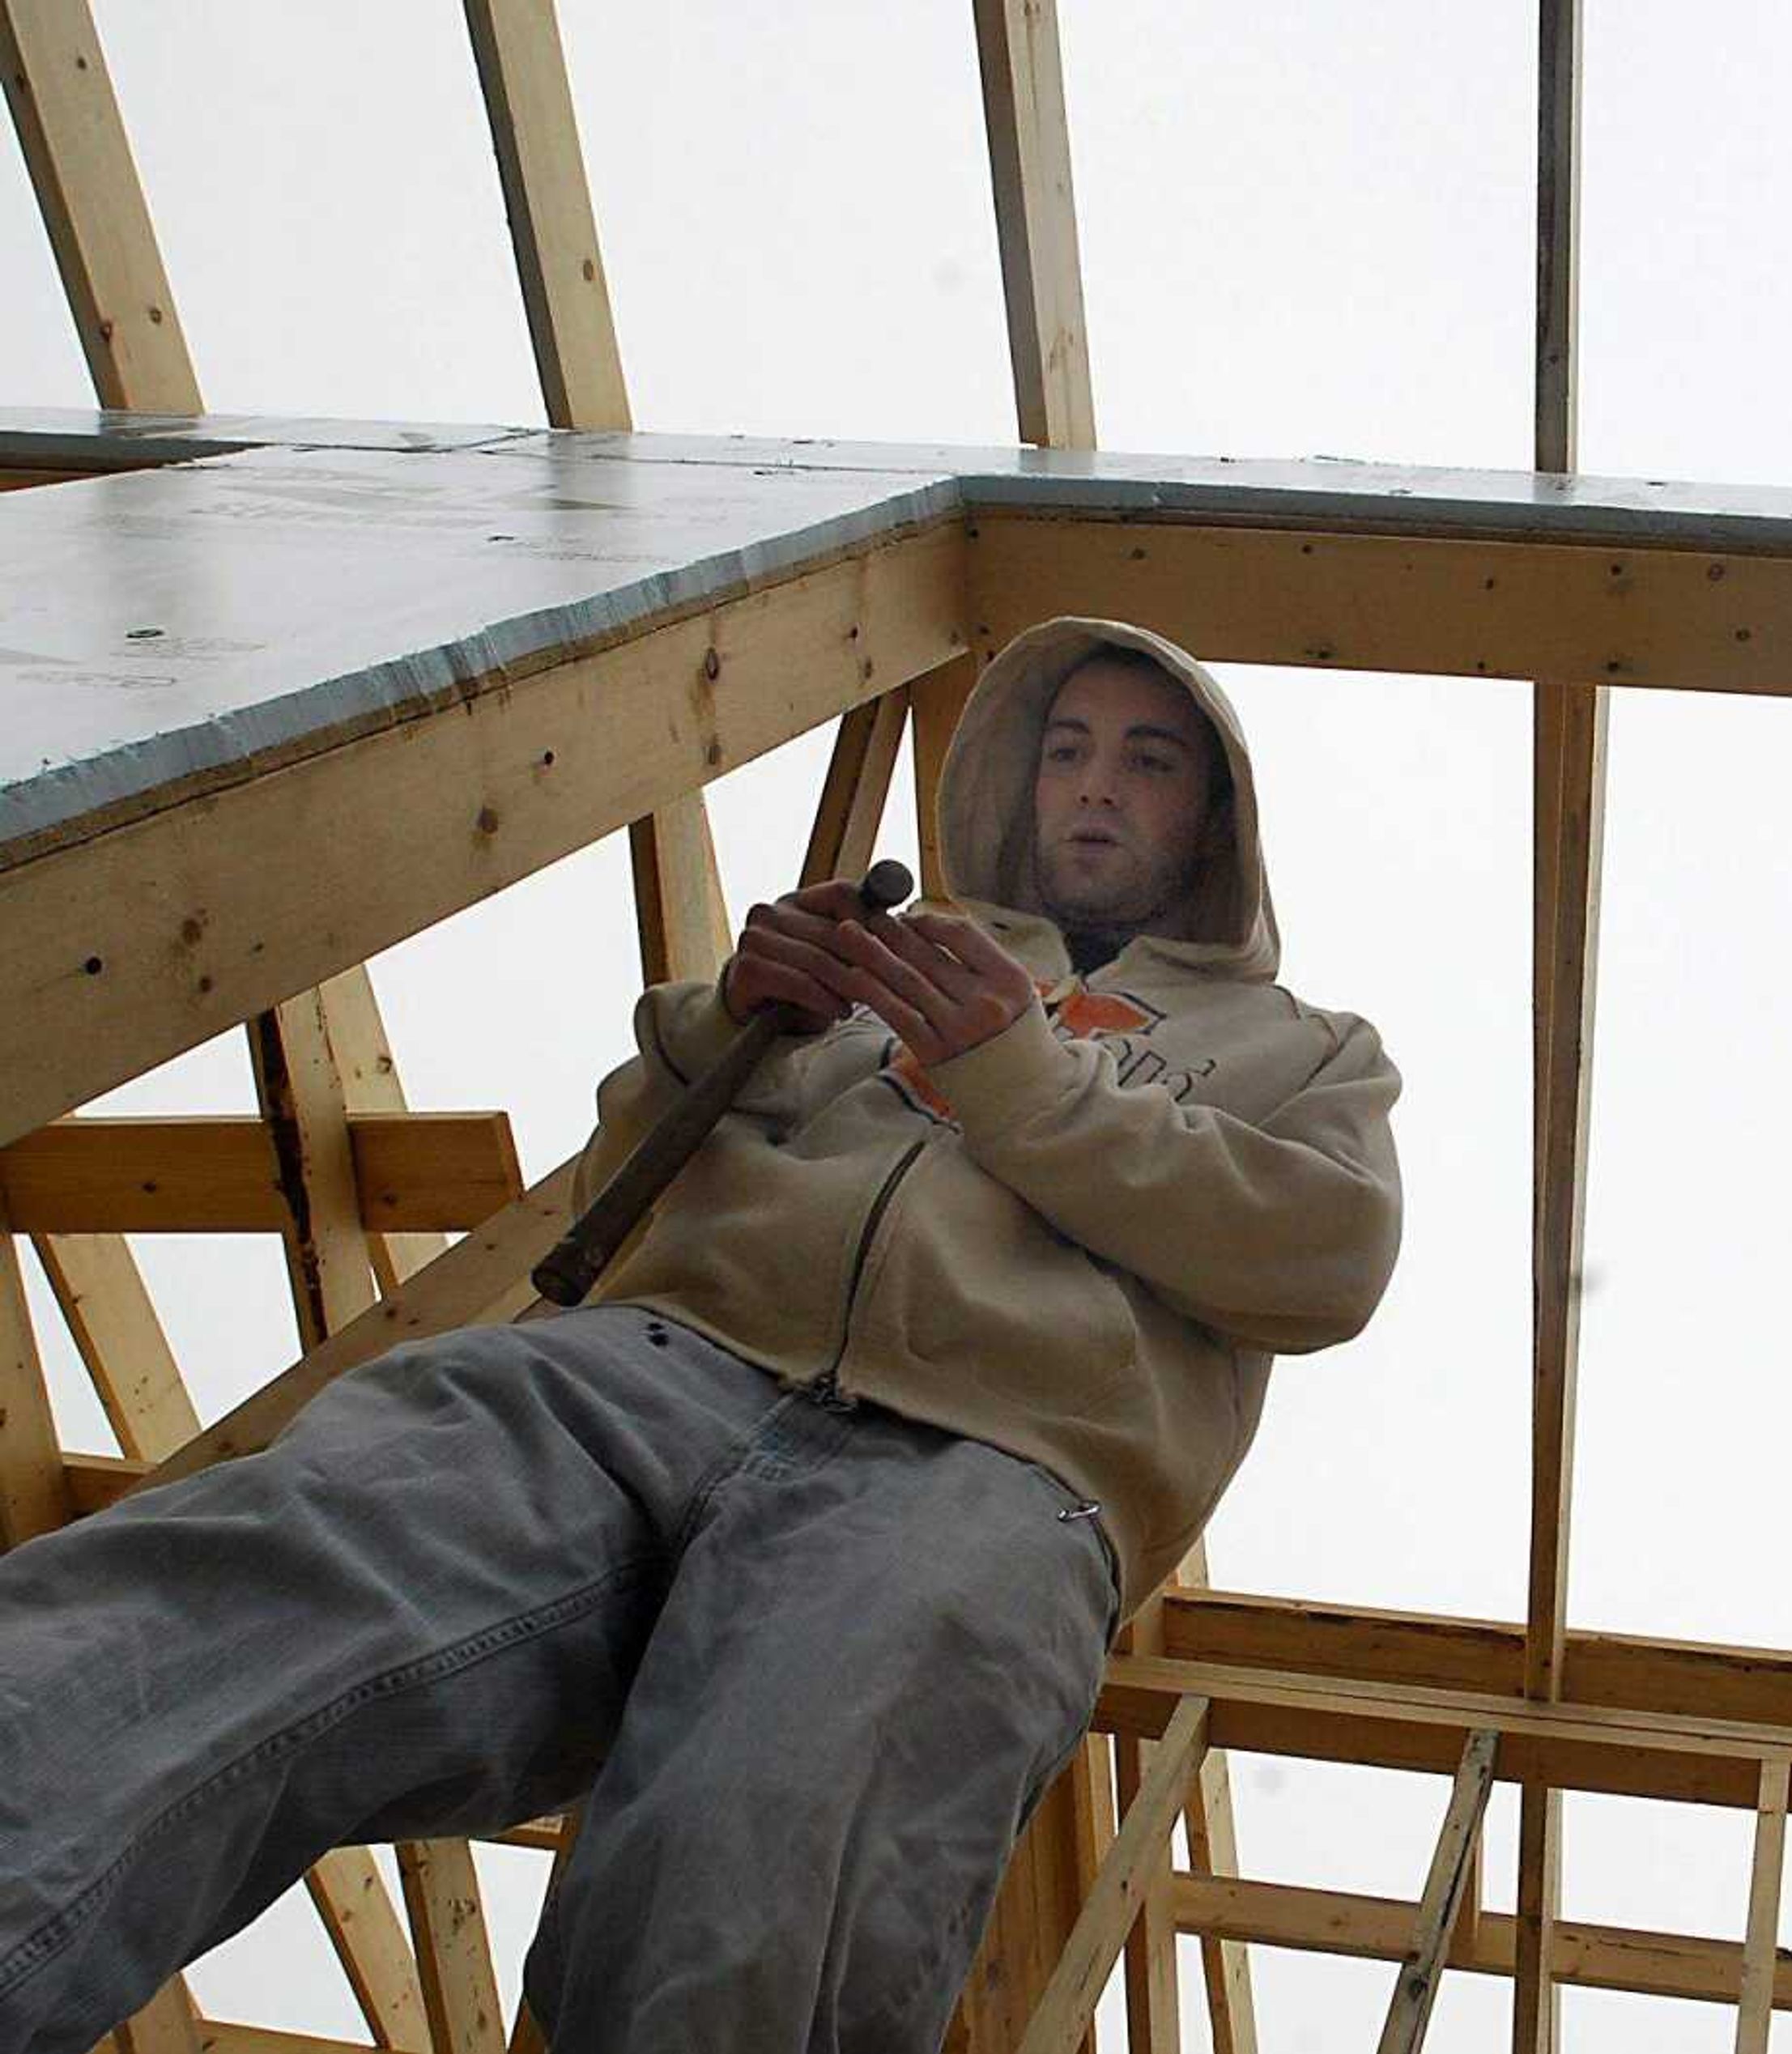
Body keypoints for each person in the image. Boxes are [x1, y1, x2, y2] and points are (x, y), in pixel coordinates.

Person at [0, 618, 1404, 2054]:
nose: (1096, 787)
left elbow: (1326, 1256)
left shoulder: (1303, 1049)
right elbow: (622, 1183)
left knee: (757, 1872)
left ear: (1213, 816)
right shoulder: (900, 957)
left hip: (984, 1471)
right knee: (266, 1576)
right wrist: (736, 1018)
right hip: (656, 1367)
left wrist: (1026, 1079)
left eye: (1149, 761)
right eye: (1065, 750)